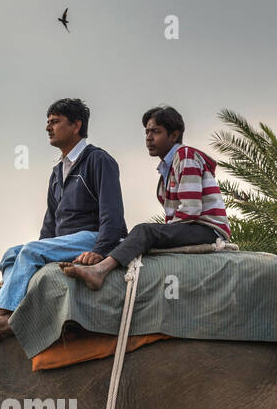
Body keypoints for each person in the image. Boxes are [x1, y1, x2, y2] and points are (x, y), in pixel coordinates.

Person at [0, 98, 126, 341]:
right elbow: (50, 224)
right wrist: (42, 250)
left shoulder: (98, 160)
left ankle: (1, 317)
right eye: (48, 122)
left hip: (93, 236)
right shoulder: (57, 172)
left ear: (76, 125)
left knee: (30, 251)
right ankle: (10, 313)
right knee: (11, 254)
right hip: (67, 240)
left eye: (55, 122)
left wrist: (101, 249)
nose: (48, 127)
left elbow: (113, 213)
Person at [62, 105, 230, 291]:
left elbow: (190, 210)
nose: (149, 138)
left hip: (206, 229)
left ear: (174, 135)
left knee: (144, 231)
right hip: (190, 227)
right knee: (140, 236)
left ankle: (99, 271)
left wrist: (158, 234)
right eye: (147, 132)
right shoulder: (167, 168)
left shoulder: (186, 156)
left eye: (155, 132)